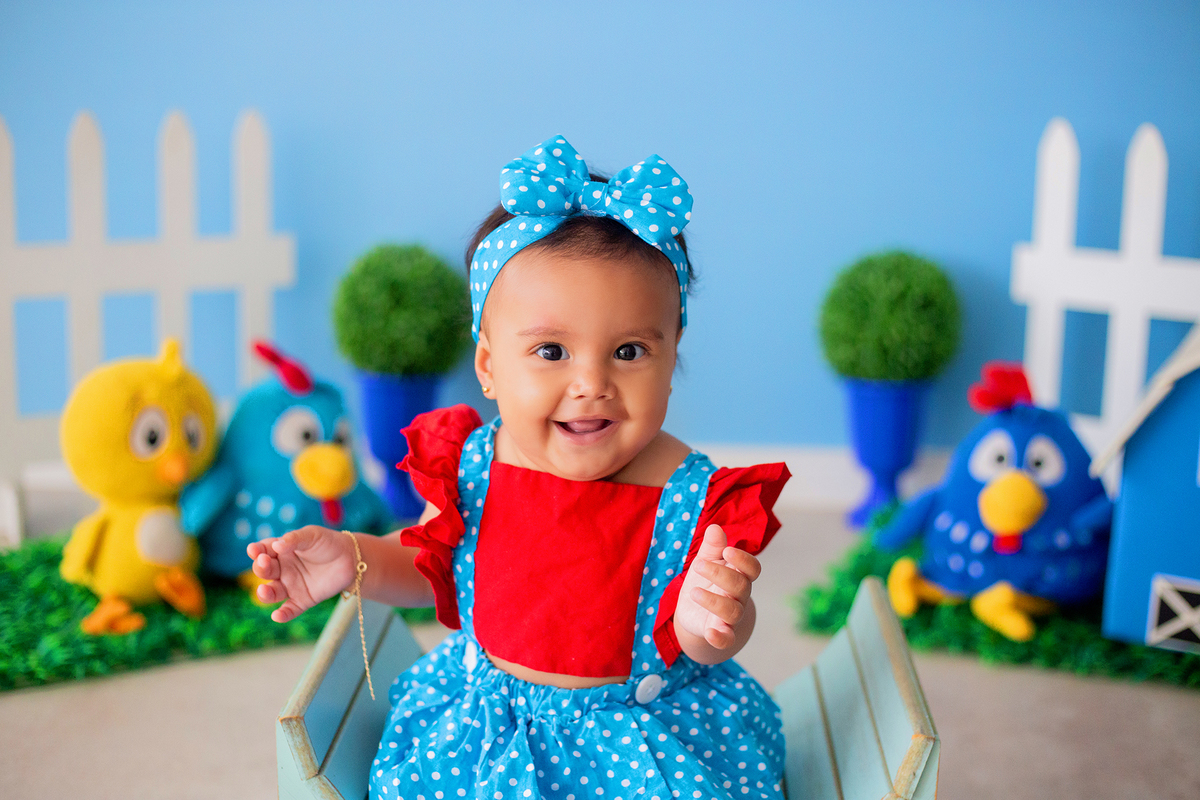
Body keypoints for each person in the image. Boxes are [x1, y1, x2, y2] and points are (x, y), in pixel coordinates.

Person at [249, 135, 791, 800]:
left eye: (628, 351)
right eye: (551, 351)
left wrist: (716, 620)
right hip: (491, 729)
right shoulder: (473, 465)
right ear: (488, 367)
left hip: (637, 737)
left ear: (671, 356)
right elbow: (430, 565)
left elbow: (706, 643)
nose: (591, 384)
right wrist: (354, 559)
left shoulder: (693, 495)